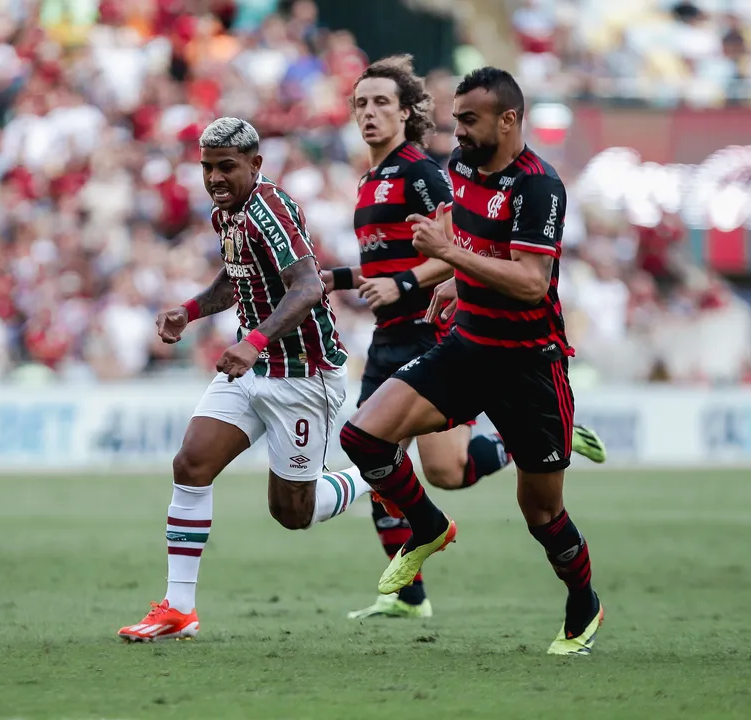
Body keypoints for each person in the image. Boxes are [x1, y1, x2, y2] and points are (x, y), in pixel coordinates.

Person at [325, 56, 606, 621]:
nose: (457, 135)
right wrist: (453, 279)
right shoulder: (455, 166)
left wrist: (441, 263)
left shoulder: (539, 186)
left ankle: (583, 602)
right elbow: (468, 246)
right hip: (466, 348)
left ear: (508, 120)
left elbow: (530, 283)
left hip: (529, 362)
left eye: (469, 122)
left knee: (540, 514)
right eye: (455, 121)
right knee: (363, 439)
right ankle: (421, 548)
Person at [118, 117, 370, 642]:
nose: (214, 177)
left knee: (292, 513)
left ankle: (377, 472)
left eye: (226, 166)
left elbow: (304, 289)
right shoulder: (226, 214)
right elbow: (238, 280)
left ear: (255, 165)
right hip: (251, 367)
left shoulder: (270, 209)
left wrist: (253, 341)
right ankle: (178, 610)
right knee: (191, 463)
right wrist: (189, 310)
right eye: (207, 167)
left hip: (303, 375)